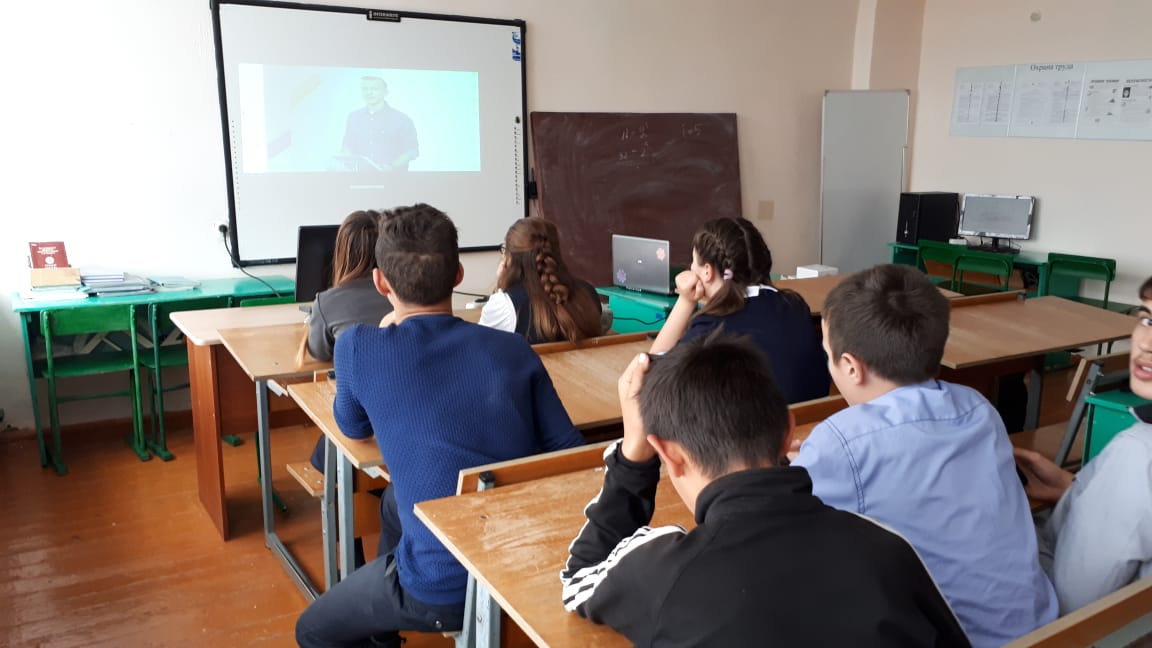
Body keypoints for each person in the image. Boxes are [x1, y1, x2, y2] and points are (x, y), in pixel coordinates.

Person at [295, 203, 585, 648]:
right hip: (522, 557)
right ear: (458, 274)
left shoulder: (359, 346)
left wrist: (387, 329)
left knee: (310, 630)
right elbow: (570, 452)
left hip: (441, 584)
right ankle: (383, 629)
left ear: (380, 282)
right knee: (393, 502)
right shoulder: (512, 349)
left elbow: (352, 428)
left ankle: (386, 620)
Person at [560, 333, 971, 646]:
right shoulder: (886, 547)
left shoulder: (659, 571)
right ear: (788, 432)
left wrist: (634, 457)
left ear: (668, 454)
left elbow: (580, 575)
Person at [791, 264, 1057, 647]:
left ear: (850, 367)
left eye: (828, 356)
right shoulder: (978, 407)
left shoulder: (841, 440)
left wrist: (805, 460)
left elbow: (782, 515)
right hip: (1041, 625)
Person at [1015, 274, 1152, 614]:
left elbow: (1068, 607)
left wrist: (1007, 518)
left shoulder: (1139, 454)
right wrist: (1074, 492)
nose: (1147, 343)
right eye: (1148, 319)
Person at [648, 216, 830, 403]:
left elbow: (651, 377)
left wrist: (686, 301)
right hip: (814, 418)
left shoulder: (710, 328)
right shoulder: (795, 306)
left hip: (756, 422)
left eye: (693, 261)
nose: (691, 267)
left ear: (707, 272)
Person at [304, 210, 393, 475]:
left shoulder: (326, 302)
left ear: (341, 252)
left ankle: (332, 477)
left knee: (337, 411)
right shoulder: (404, 294)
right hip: (402, 407)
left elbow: (319, 352)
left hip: (362, 420)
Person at [479, 218, 604, 343]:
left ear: (509, 258)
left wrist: (501, 285)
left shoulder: (503, 305)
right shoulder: (589, 292)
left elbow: (481, 347)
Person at [338, 76, 419, 172]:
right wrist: (345, 161)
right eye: (365, 89)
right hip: (360, 177)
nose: (369, 93)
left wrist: (391, 167)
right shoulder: (353, 117)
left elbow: (411, 151)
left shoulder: (402, 120)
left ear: (386, 92)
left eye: (374, 89)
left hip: (393, 178)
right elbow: (347, 146)